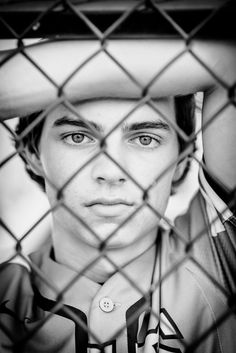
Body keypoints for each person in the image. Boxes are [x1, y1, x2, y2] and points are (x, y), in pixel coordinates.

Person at [0, 37, 235, 353]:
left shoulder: (221, 260)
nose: (110, 172)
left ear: (181, 162)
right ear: (31, 152)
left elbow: (229, 66)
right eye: (78, 136)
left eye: (145, 139)